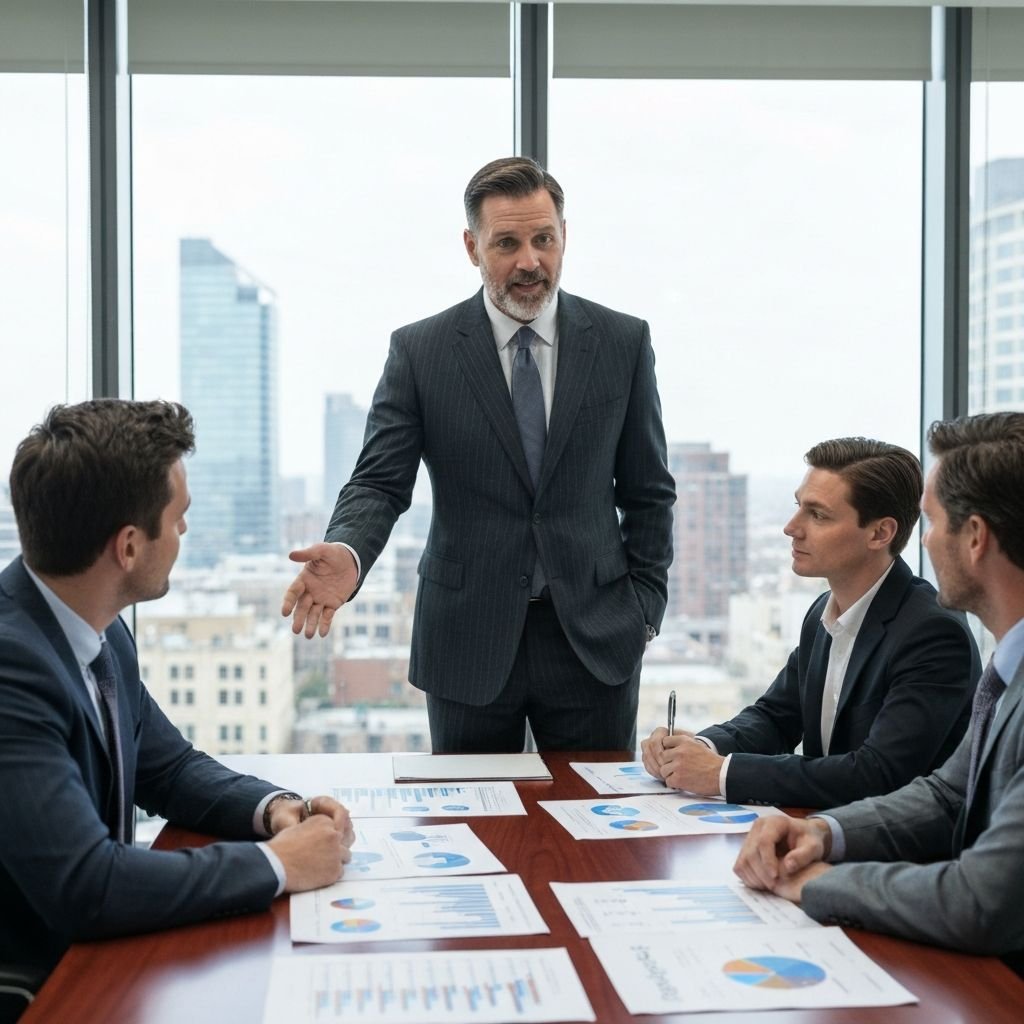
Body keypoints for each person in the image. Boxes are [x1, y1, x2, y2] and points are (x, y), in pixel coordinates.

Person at [282, 156, 675, 753]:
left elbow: (649, 492)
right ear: (472, 246)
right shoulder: (421, 351)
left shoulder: (622, 342)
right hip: (467, 638)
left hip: (595, 638)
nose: (529, 261)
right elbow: (379, 483)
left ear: (565, 235)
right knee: (467, 829)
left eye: (544, 239)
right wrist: (347, 549)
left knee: (596, 829)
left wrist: (644, 609)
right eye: (507, 243)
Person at [0, 400, 354, 992]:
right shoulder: (12, 669)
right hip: (43, 985)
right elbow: (87, 885)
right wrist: (279, 864)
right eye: (179, 517)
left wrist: (274, 810)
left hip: (102, 961)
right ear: (130, 547)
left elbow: (168, 767)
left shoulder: (99, 624)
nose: (186, 531)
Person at [733, 412, 1024, 968]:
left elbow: (981, 900)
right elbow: (947, 794)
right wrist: (823, 832)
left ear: (977, 538)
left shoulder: (949, 638)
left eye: (933, 523)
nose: (927, 542)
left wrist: (816, 884)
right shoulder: (1008, 665)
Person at [641, 437, 980, 809]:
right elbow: (775, 718)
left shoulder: (933, 633)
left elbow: (878, 774)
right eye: (798, 507)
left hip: (897, 855)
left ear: (880, 533)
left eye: (817, 515)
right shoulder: (822, 612)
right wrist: (698, 749)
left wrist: (720, 773)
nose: (791, 527)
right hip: (823, 834)